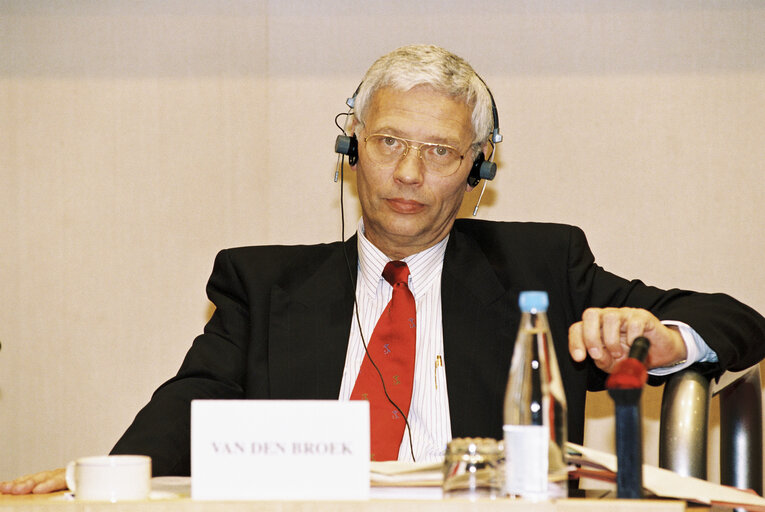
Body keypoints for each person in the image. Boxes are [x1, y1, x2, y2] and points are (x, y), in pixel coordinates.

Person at [3, 44, 764, 495]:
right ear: (351, 149)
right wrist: (104, 475)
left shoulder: (541, 265)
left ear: (477, 170)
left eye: (439, 152)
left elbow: (739, 321)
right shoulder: (261, 283)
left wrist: (660, 339)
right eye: (388, 142)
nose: (407, 172)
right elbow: (192, 399)